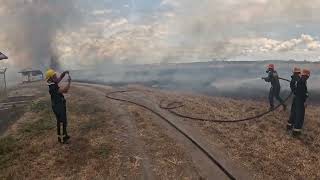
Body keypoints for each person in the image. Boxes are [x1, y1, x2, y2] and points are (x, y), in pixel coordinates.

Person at [45, 69, 71, 144]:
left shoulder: (52, 83)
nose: (56, 76)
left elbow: (60, 78)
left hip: (57, 105)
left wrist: (64, 73)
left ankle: (62, 137)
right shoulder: (53, 87)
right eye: (54, 75)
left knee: (60, 121)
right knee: (63, 122)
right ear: (50, 78)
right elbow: (65, 90)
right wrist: (69, 82)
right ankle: (63, 139)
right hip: (58, 106)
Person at [292, 69, 310, 137]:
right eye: (307, 76)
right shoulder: (302, 82)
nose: (307, 77)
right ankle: (296, 133)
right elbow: (302, 93)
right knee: (300, 116)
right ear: (307, 75)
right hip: (300, 101)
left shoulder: (301, 80)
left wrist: (306, 94)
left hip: (298, 100)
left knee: (298, 115)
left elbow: (303, 91)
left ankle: (296, 131)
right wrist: (305, 100)